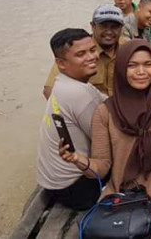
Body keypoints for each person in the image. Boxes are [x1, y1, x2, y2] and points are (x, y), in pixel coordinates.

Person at [59, 39, 151, 239]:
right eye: (132, 65)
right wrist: (77, 160)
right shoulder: (104, 112)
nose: (141, 72)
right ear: (120, 70)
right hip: (119, 190)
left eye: (147, 64)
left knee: (144, 232)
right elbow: (101, 166)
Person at [37, 28, 107, 210]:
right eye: (81, 54)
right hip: (75, 187)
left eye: (92, 50)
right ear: (60, 63)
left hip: (52, 180)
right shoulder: (78, 94)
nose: (92, 57)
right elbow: (106, 140)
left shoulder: (64, 82)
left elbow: (106, 101)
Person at [43, 4, 125, 98]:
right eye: (103, 26)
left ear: (122, 28)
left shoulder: (130, 49)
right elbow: (49, 90)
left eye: (114, 27)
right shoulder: (76, 50)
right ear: (92, 26)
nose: (109, 31)